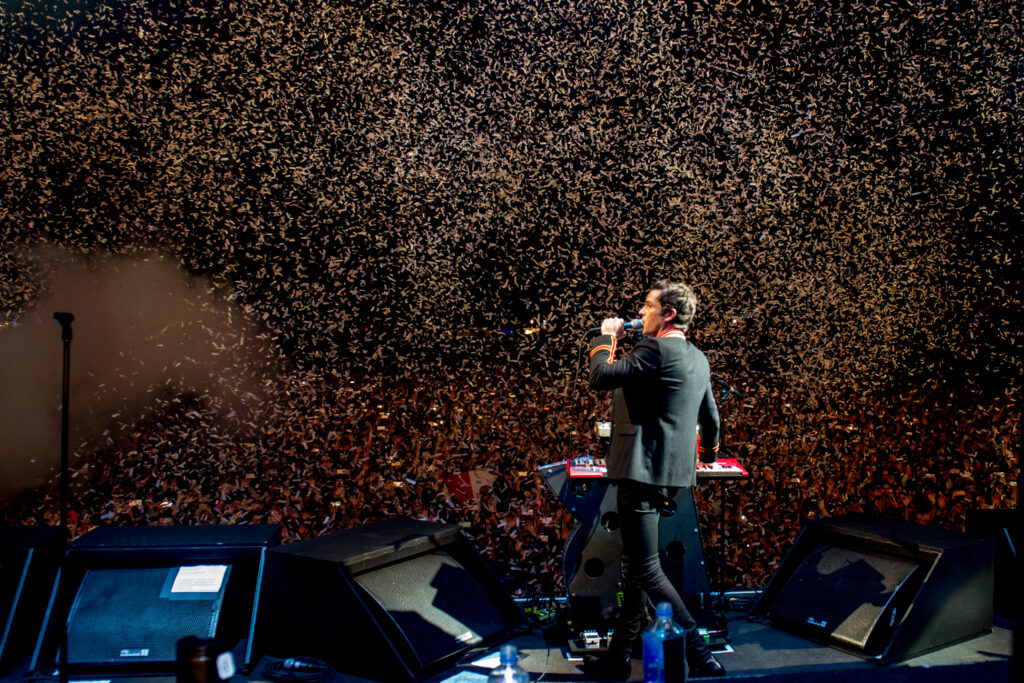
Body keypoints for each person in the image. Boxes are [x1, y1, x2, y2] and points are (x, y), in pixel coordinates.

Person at [583, 280, 726, 679]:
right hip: (669, 475)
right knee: (634, 568)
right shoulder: (698, 358)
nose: (641, 312)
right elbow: (710, 417)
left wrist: (605, 336)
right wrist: (709, 456)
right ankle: (617, 660)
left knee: (645, 569)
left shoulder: (654, 349)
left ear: (669, 314)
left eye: (648, 306)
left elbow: (601, 376)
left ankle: (700, 653)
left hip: (641, 471)